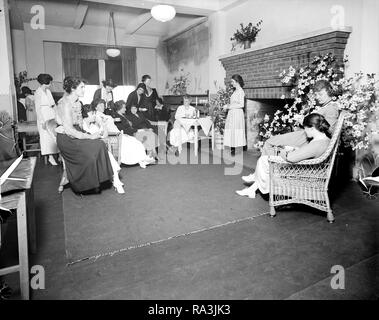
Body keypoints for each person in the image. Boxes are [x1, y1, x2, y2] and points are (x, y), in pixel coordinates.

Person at [242, 79, 340, 183]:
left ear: (329, 92)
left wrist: (304, 121)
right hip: (304, 134)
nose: (318, 97)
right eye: (316, 95)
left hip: (306, 138)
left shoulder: (331, 108)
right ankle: (262, 175)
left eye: (320, 94)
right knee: (271, 142)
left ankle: (266, 176)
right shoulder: (325, 106)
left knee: (269, 142)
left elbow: (328, 130)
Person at [55, 76, 124, 194]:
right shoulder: (65, 104)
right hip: (67, 138)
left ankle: (97, 180)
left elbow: (80, 124)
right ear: (72, 88)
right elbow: (70, 130)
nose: (84, 90)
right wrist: (90, 136)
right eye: (81, 87)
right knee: (94, 148)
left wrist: (91, 132)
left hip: (77, 133)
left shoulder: (77, 102)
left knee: (100, 144)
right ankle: (82, 182)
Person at [236, 113, 331, 198]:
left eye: (305, 128)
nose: (305, 131)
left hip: (303, 172)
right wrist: (295, 149)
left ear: (312, 128)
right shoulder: (324, 139)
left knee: (264, 160)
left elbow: (290, 158)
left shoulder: (316, 144)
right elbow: (307, 152)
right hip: (309, 168)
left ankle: (258, 184)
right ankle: (252, 189)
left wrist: (284, 150)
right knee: (266, 161)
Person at [81, 104, 124, 193]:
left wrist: (103, 125)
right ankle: (116, 182)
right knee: (105, 153)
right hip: (86, 150)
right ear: (86, 114)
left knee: (107, 153)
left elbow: (104, 135)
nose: (94, 116)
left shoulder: (93, 126)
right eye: (92, 113)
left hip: (97, 149)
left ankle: (117, 182)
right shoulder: (81, 125)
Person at [113, 100, 156, 168]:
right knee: (147, 134)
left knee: (149, 133)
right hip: (129, 133)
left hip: (133, 131)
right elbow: (124, 130)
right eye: (124, 107)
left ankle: (149, 156)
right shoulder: (117, 117)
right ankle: (147, 157)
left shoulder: (124, 115)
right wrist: (139, 130)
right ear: (119, 108)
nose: (125, 109)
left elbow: (132, 126)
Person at [34, 73, 59, 165]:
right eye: (50, 82)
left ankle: (58, 154)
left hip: (51, 114)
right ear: (46, 82)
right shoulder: (38, 92)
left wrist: (57, 115)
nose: (51, 84)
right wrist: (42, 121)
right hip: (43, 115)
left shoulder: (48, 91)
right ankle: (50, 157)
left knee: (54, 135)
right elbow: (37, 109)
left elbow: (53, 104)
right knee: (46, 137)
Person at [223, 74, 246, 155]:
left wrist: (229, 106)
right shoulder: (235, 91)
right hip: (232, 113)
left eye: (232, 81)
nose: (231, 83)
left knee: (236, 130)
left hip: (237, 113)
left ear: (237, 82)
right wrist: (228, 106)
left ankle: (237, 148)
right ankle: (232, 147)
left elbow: (241, 105)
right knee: (232, 130)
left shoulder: (240, 91)